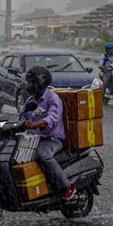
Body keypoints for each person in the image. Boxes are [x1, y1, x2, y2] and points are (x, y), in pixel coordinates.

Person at [21, 66, 75, 201]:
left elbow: (52, 119)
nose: (29, 85)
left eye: (31, 82)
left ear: (40, 82)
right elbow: (20, 115)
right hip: (34, 138)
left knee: (43, 155)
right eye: (28, 82)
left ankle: (66, 187)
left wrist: (35, 124)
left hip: (52, 140)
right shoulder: (30, 100)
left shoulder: (53, 99)